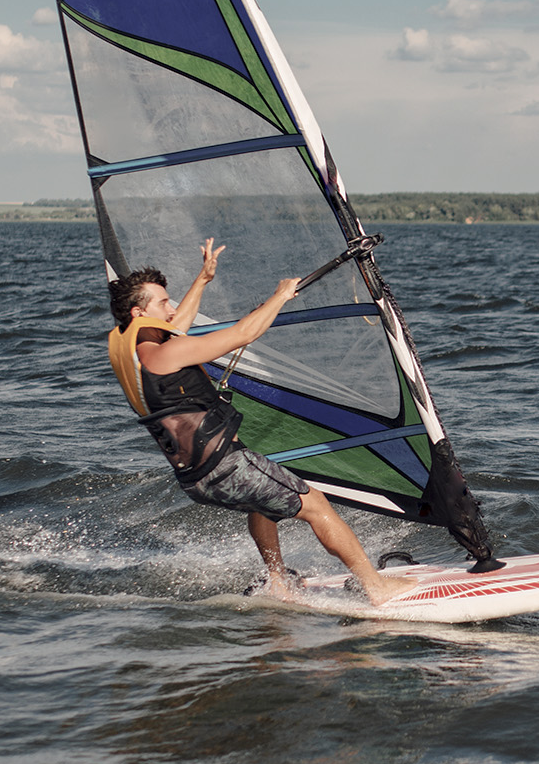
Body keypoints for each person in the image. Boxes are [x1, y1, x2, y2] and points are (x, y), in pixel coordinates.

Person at [108, 239, 417, 605]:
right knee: (316, 506)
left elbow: (177, 323)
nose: (171, 308)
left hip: (194, 476)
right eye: (162, 302)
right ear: (138, 313)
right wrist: (281, 297)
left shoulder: (133, 347)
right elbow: (244, 334)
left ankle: (278, 581)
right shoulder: (168, 353)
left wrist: (203, 280)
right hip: (223, 465)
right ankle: (374, 586)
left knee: (261, 503)